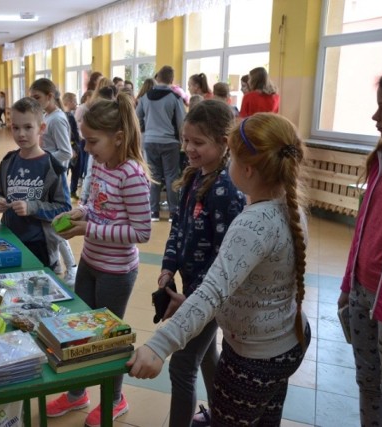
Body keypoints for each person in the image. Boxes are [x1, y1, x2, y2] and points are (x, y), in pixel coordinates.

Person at [127, 112, 311, 426]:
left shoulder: (251, 224)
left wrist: (159, 345)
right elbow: (248, 285)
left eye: (233, 157)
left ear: (248, 170)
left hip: (253, 361)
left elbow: (213, 290)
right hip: (288, 343)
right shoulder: (289, 208)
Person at [47, 91, 151, 427]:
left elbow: (141, 231)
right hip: (91, 262)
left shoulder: (132, 175)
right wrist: (80, 213)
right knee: (78, 331)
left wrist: (89, 227)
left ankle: (115, 398)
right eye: (85, 141)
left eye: (92, 141)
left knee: (108, 340)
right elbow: (97, 205)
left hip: (116, 273)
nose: (86, 149)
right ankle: (77, 393)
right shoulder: (101, 164)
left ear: (118, 138)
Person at [158, 100, 246, 427]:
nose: (188, 149)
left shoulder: (227, 190)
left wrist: (194, 300)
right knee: (207, 356)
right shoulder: (194, 177)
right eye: (185, 140)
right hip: (192, 291)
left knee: (181, 365)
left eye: (198, 142)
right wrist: (168, 266)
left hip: (208, 297)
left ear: (224, 143)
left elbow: (228, 260)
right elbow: (177, 227)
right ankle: (223, 416)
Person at [338, 69, 382, 426]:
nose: (375, 117)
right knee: (368, 383)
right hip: (362, 292)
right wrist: (347, 285)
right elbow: (361, 232)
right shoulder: (380, 162)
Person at [0, 97, 72, 269]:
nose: (21, 134)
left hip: (39, 244)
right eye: (16, 127)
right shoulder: (7, 162)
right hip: (10, 239)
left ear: (41, 128)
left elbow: (64, 208)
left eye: (28, 127)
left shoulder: (52, 167)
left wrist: (32, 207)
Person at [29, 78, 77, 286]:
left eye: (37, 97)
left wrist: (43, 157)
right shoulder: (48, 116)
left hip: (55, 178)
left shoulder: (57, 119)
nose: (34, 102)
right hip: (47, 176)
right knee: (49, 223)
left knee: (56, 223)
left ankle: (72, 267)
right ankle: (58, 263)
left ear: (50, 96)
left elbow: (66, 152)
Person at [136, 65, 187, 221]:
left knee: (154, 177)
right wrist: (183, 141)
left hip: (150, 141)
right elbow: (181, 122)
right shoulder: (175, 98)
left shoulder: (145, 98)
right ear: (171, 79)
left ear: (157, 78)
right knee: (171, 176)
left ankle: (153, 212)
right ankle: (173, 212)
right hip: (170, 142)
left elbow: (137, 117)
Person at [62, 92, 83, 200]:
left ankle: (72, 191)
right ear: (68, 102)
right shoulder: (66, 116)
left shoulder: (70, 115)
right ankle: (64, 192)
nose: (76, 103)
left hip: (75, 146)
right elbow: (68, 134)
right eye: (74, 101)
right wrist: (72, 148)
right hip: (72, 148)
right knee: (68, 170)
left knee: (76, 170)